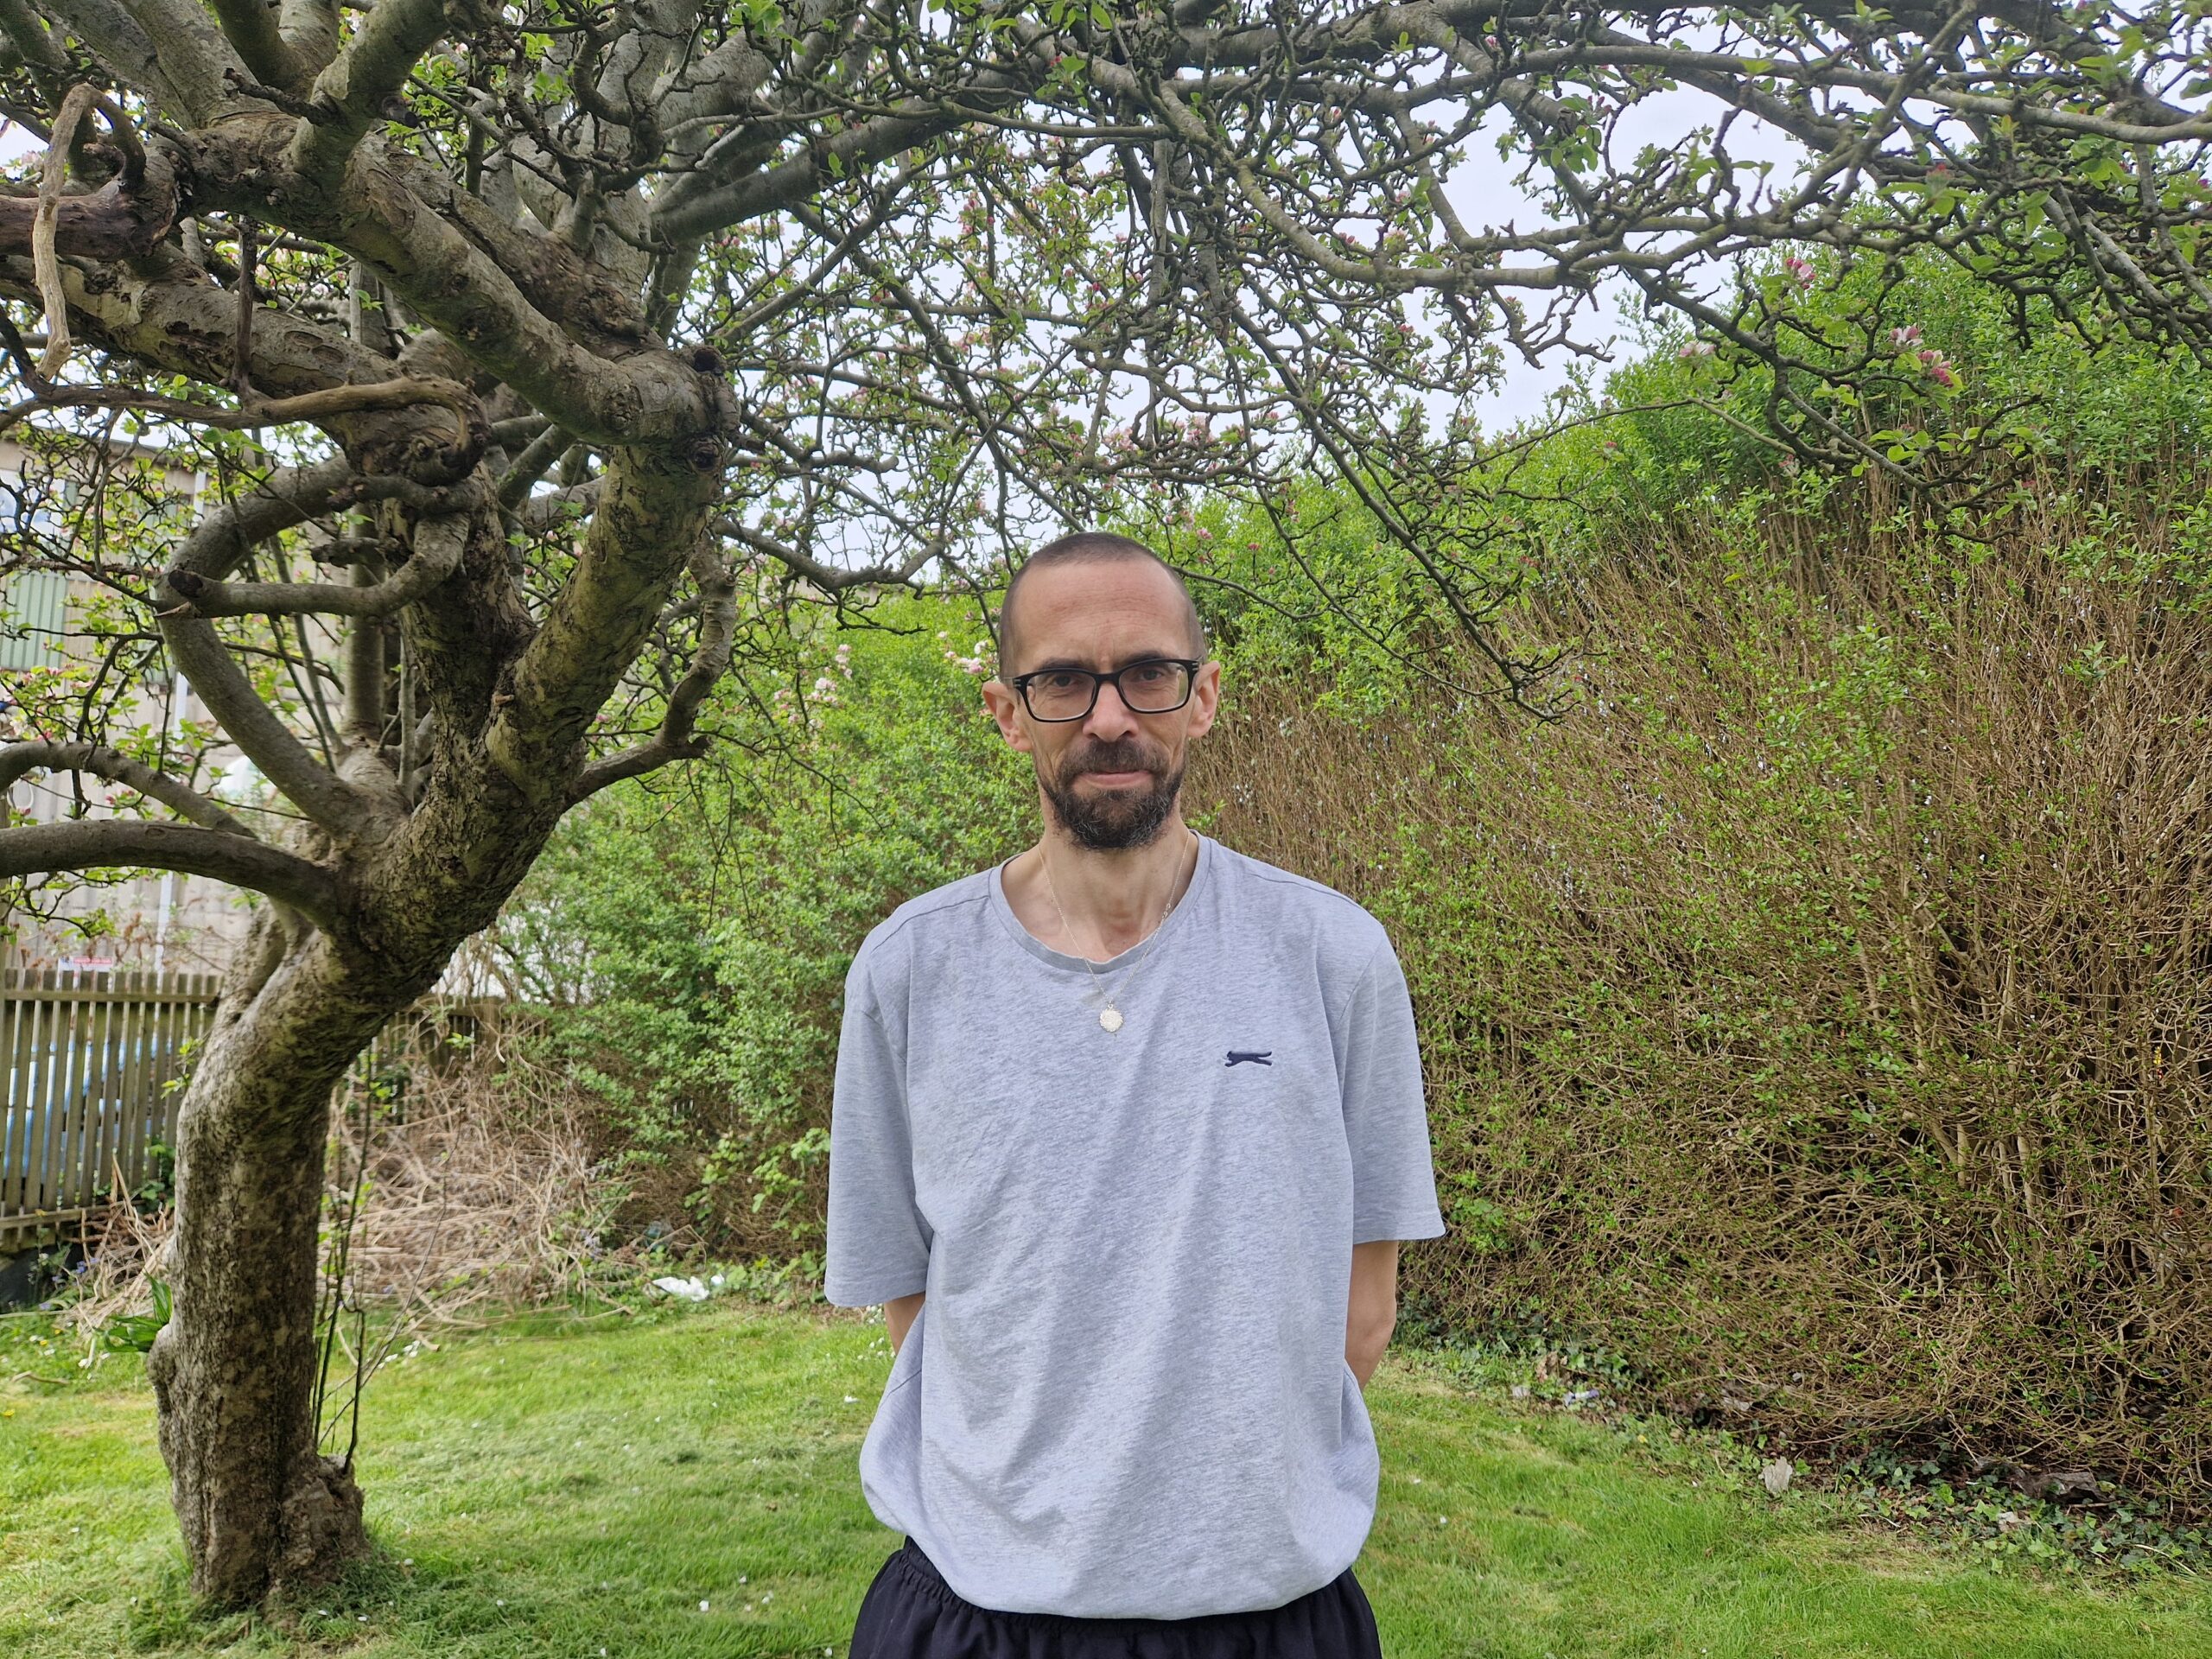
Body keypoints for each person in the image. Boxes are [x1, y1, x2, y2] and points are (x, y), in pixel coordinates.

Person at [825, 530, 1446, 1658]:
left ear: (1204, 697)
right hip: (977, 1619)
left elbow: (1363, 1311)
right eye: (1063, 680)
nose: (1109, 715)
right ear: (1005, 712)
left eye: (1147, 674)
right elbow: (914, 1311)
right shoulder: (910, 972)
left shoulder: (1334, 958)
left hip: (1267, 1617)